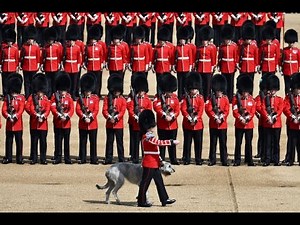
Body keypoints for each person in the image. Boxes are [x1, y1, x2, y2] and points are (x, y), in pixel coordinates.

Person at [137, 109, 178, 207]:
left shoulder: (149, 135)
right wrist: (171, 142)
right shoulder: (147, 136)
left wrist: (160, 160)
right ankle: (141, 201)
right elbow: (158, 143)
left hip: (154, 162)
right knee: (145, 183)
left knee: (159, 182)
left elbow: (155, 150)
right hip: (149, 163)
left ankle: (164, 199)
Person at [25, 73, 51, 165]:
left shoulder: (46, 99)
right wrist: (35, 115)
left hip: (43, 124)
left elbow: (48, 109)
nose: (40, 93)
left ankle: (43, 158)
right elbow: (28, 107)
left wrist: (43, 116)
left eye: (41, 91)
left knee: (43, 142)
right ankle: (34, 158)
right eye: (39, 91)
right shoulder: (32, 98)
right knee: (34, 141)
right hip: (34, 122)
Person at [127, 72, 152, 163]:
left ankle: (144, 157)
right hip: (134, 123)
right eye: (140, 91)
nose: (141, 92)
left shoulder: (147, 100)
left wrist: (143, 119)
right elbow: (130, 109)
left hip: (143, 124)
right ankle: (135, 158)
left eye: (143, 91)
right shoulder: (133, 99)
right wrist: (135, 117)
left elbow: (149, 110)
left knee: (144, 142)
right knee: (134, 141)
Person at [205, 74, 230, 166]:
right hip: (213, 124)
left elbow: (227, 110)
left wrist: (221, 117)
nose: (218, 92)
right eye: (217, 91)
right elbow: (208, 109)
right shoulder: (211, 99)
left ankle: (224, 160)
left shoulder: (225, 99)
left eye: (220, 91)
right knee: (213, 143)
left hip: (222, 125)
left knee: (223, 144)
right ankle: (212, 159)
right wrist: (215, 117)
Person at [75, 72, 100, 164]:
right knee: (83, 142)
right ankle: (82, 158)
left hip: (92, 124)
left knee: (93, 142)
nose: (87, 92)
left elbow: (96, 110)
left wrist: (90, 117)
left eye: (89, 90)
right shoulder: (80, 99)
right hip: (83, 123)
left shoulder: (95, 99)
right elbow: (77, 110)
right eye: (86, 90)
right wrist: (84, 116)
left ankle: (93, 158)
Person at [50, 71, 74, 164]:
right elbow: (52, 107)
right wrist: (58, 115)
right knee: (58, 141)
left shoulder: (69, 97)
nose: (63, 92)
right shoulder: (54, 97)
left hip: (66, 123)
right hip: (58, 122)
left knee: (66, 141)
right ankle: (58, 157)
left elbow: (71, 109)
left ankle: (67, 158)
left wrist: (67, 116)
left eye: (64, 90)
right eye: (61, 90)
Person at [232, 74, 256, 166]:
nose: (245, 93)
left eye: (247, 91)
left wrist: (248, 117)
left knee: (248, 143)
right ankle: (237, 159)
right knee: (238, 143)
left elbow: (253, 111)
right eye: (244, 91)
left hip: (249, 124)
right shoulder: (236, 99)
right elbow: (235, 111)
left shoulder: (251, 99)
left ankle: (249, 159)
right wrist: (241, 118)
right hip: (239, 124)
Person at [180, 72, 204, 165]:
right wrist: (189, 117)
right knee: (187, 143)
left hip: (198, 124)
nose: (193, 91)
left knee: (198, 143)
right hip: (187, 124)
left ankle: (198, 159)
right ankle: (187, 158)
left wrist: (196, 117)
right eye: (192, 89)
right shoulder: (185, 98)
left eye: (195, 89)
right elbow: (183, 109)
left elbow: (201, 109)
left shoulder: (200, 98)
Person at [102, 74, 127, 164]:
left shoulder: (122, 100)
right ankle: (108, 158)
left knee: (119, 142)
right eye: (115, 91)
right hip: (109, 124)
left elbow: (122, 111)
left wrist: (115, 118)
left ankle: (121, 158)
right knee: (109, 142)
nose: (117, 92)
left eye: (118, 91)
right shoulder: (107, 99)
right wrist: (109, 118)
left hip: (118, 124)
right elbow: (104, 110)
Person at [1, 73, 25, 164]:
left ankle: (19, 158)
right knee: (9, 141)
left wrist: (15, 116)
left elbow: (21, 109)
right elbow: (3, 109)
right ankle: (8, 157)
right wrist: (8, 116)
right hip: (9, 124)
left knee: (19, 142)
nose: (14, 94)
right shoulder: (8, 98)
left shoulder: (20, 98)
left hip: (18, 124)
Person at [260, 74, 284, 166]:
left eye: (274, 89)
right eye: (272, 89)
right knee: (268, 143)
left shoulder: (279, 99)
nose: (273, 91)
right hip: (267, 123)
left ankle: (276, 159)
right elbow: (263, 108)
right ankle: (267, 159)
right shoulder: (266, 99)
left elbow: (280, 109)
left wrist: (274, 116)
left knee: (276, 143)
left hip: (276, 124)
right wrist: (267, 117)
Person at [283, 72, 300, 166]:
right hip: (291, 123)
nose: (297, 91)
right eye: (296, 88)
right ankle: (290, 159)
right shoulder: (289, 97)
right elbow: (285, 108)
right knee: (291, 142)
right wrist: (292, 117)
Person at [281, 29, 300, 95]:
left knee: (294, 86)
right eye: (290, 43)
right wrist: (281, 68)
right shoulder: (284, 50)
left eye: (292, 42)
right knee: (287, 86)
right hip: (286, 71)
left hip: (295, 71)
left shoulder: (297, 50)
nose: (291, 44)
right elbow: (282, 60)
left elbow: (299, 61)